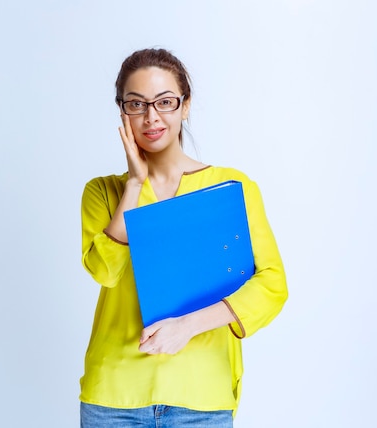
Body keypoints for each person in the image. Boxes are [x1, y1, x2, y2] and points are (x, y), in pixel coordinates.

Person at [79, 48, 288, 427]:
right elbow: (103, 271)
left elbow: (271, 284)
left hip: (200, 395)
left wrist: (186, 326)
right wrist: (135, 183)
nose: (151, 116)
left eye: (164, 102)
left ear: (185, 106)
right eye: (136, 104)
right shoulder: (103, 192)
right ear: (122, 111)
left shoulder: (232, 187)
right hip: (114, 396)